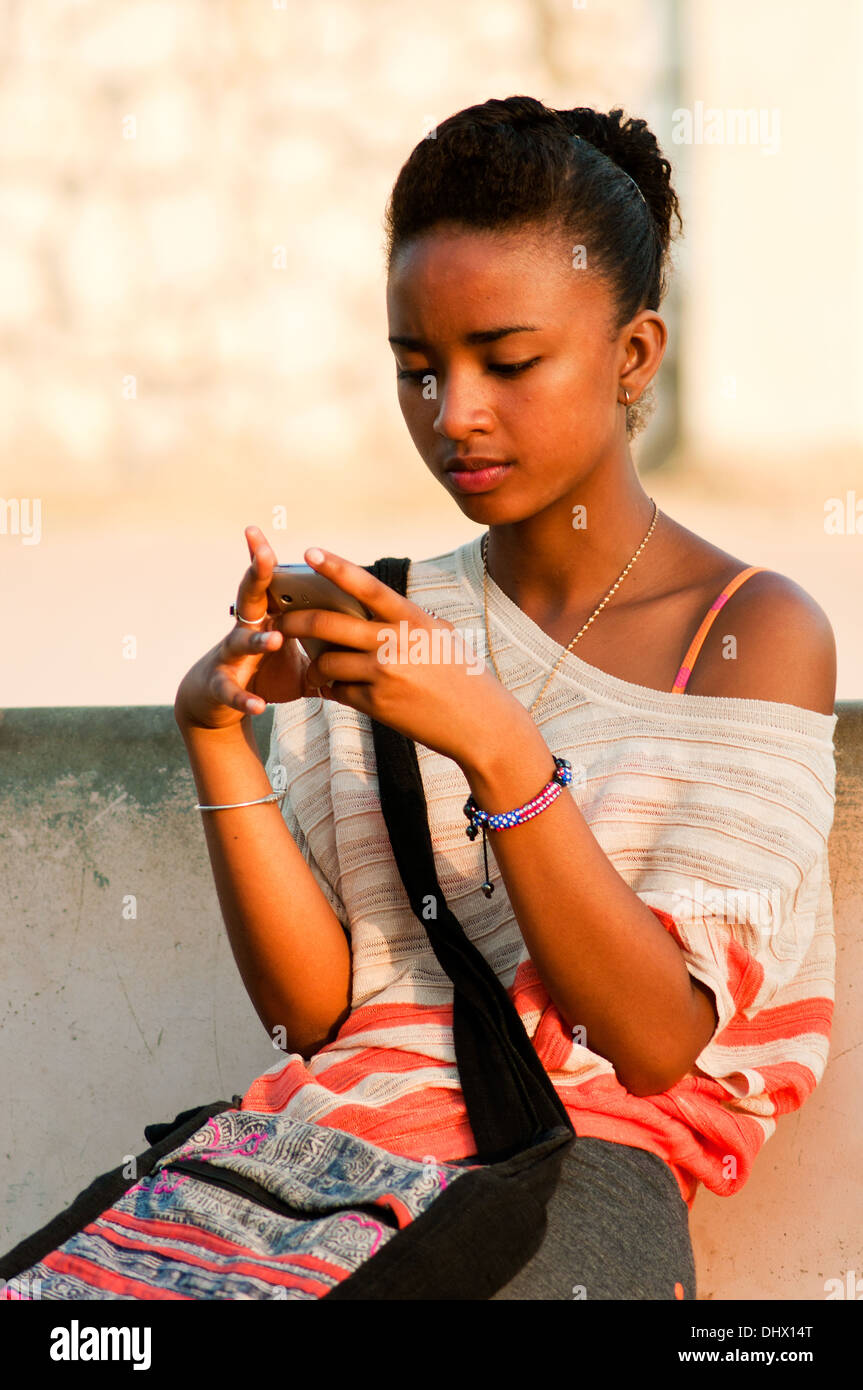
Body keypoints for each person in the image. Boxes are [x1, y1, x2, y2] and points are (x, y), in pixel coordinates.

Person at [11, 98, 838, 1302]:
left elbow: (657, 1043)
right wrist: (220, 738)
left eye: (507, 361)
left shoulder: (745, 635)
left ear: (632, 356)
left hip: (555, 1206)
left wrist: (494, 746)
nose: (453, 415)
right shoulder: (386, 616)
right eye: (417, 369)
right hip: (301, 1190)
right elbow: (322, 1013)